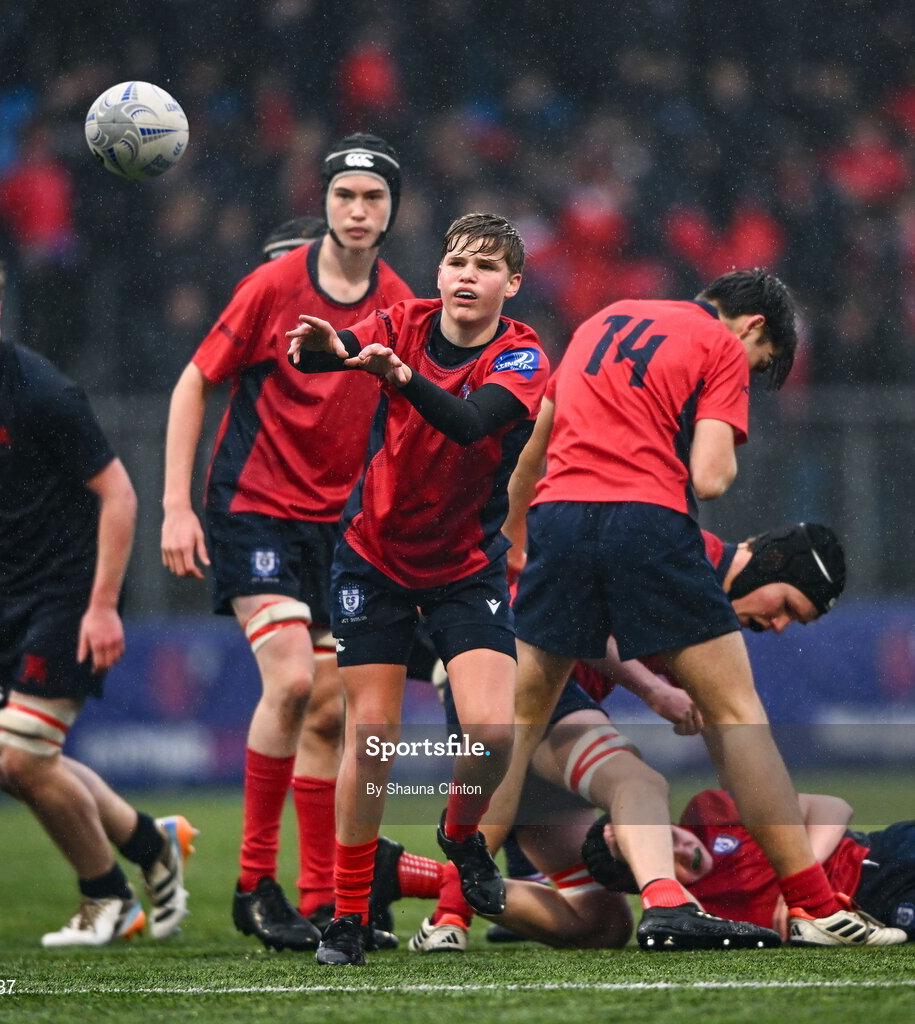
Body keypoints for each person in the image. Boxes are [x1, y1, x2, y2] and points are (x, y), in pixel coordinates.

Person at [461, 269, 895, 949]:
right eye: (760, 368)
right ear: (752, 327)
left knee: (517, 724)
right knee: (735, 715)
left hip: (556, 519)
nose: (749, 378)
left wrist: (517, 540)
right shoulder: (718, 343)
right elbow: (710, 475)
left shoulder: (601, 319)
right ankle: (814, 908)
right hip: (644, 517)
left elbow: (530, 459)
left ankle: (458, 894)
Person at [161, 134, 413, 951]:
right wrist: (176, 505)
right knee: (297, 681)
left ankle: (319, 899)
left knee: (332, 714)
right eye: (345, 196)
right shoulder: (273, 284)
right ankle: (250, 882)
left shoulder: (401, 302)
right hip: (256, 511)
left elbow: (407, 420)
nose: (357, 210)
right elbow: (194, 379)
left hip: (338, 534)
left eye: (373, 199)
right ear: (327, 202)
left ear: (390, 212)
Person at [385, 523, 859, 952]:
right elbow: (571, 612)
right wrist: (653, 689)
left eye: (794, 623)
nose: (778, 626)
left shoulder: (703, 599)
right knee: (637, 783)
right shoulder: (683, 551)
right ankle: (668, 905)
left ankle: (402, 874)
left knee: (601, 925)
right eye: (787, 607)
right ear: (769, 560)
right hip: (513, 666)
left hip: (533, 692)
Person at [288, 212, 550, 966]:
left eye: (487, 266)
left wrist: (395, 375)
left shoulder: (524, 356)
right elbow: (343, 349)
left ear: (512, 284)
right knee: (370, 739)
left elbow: (471, 425)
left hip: (465, 566)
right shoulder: (403, 320)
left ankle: (459, 837)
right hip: (373, 560)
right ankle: (344, 916)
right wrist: (320, 352)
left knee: (492, 734)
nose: (468, 276)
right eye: (457, 262)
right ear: (438, 274)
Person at [0, 243, 196, 948]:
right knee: (11, 767)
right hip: (11, 595)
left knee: (21, 758)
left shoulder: (42, 390)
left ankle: (109, 899)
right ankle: (149, 844)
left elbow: (121, 497)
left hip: (73, 590)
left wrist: (102, 605)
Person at [582, 790, 912, 944]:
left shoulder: (707, 811)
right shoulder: (693, 922)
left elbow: (833, 807)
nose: (683, 850)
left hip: (877, 855)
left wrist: (800, 882)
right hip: (876, 908)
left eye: (670, 835)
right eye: (665, 858)